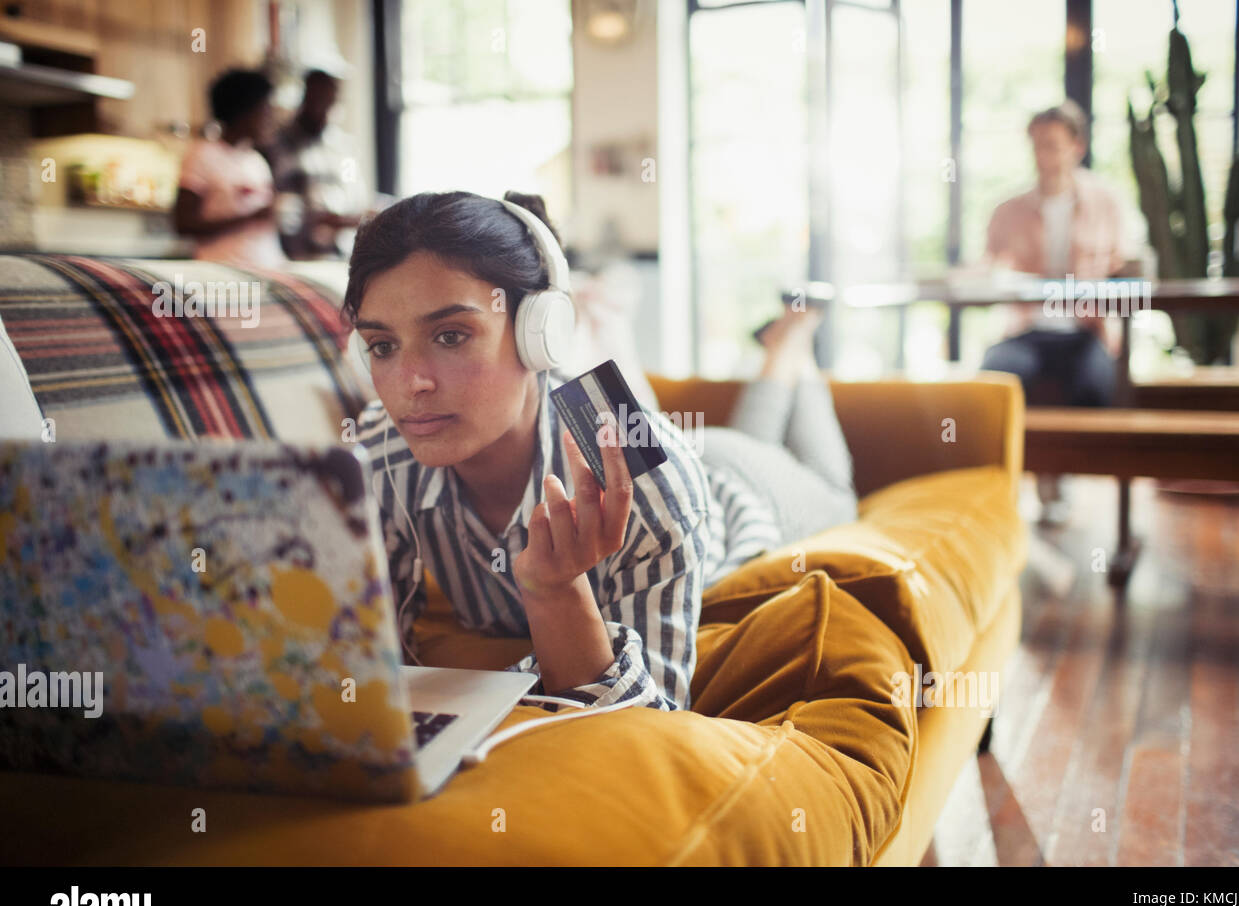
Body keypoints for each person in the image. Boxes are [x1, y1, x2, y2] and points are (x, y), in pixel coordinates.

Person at [346, 190, 858, 712]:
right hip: (699, 455)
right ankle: (783, 350)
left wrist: (557, 592)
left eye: (451, 336)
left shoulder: (643, 467)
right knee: (756, 434)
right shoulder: (378, 451)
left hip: (745, 492)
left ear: (539, 333)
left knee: (833, 487)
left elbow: (647, 728)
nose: (411, 385)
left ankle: (791, 345)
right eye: (383, 346)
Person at [979, 99, 1143, 520]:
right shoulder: (1008, 210)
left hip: (1086, 333)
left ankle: (1058, 479)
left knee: (1093, 386)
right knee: (995, 383)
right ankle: (1002, 490)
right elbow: (986, 271)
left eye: (1052, 145)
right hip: (1027, 331)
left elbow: (1127, 268)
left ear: (1077, 146)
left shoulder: (1108, 203)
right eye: (1036, 146)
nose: (1043, 157)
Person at [174, 69, 286, 268]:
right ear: (244, 110)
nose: (271, 119)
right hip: (223, 276)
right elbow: (183, 224)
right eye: (266, 110)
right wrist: (249, 218)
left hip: (268, 270)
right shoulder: (201, 155)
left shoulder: (257, 161)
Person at [263, 66, 373, 260]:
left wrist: (351, 219)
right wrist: (317, 218)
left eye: (329, 98)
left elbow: (355, 195)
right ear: (305, 95)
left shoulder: (344, 147)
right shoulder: (276, 145)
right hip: (294, 254)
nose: (323, 104)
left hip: (340, 253)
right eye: (317, 96)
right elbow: (276, 204)